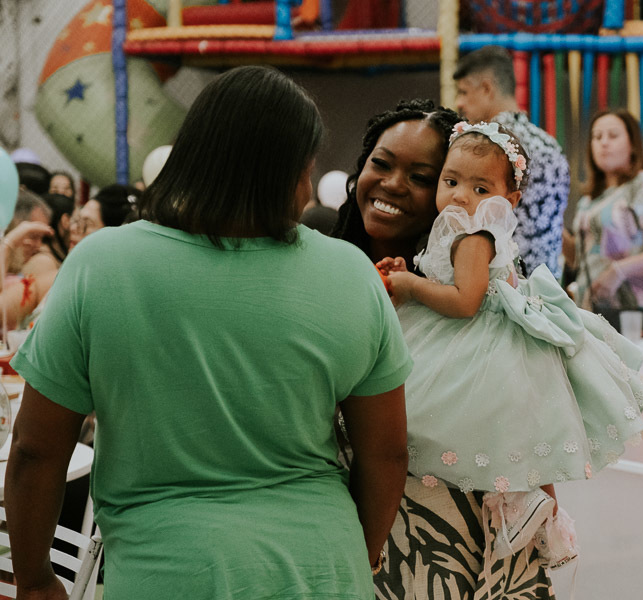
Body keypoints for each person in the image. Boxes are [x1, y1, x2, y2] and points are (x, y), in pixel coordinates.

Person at [6, 65, 410, 600]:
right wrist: (359, 554)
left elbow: (36, 449)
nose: (309, 187)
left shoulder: (100, 264)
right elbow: (386, 452)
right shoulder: (350, 273)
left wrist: (35, 579)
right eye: (305, 170)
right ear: (281, 174)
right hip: (324, 569)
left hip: (167, 574)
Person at [376, 119, 643, 567]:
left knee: (483, 420)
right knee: (514, 424)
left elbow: (464, 301)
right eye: (451, 181)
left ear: (510, 200)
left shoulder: (472, 235)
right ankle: (533, 508)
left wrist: (408, 286)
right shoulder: (463, 228)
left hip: (475, 335)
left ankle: (522, 506)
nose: (462, 196)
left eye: (481, 189)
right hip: (487, 331)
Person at [334, 98, 559, 599]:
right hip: (345, 527)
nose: (393, 184)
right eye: (382, 163)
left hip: (455, 526)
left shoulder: (471, 266)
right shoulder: (326, 267)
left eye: (420, 176)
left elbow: (519, 381)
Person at [453, 45, 570, 279]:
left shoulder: (486, 146)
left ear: (486, 88)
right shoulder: (550, 144)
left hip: (504, 289)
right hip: (548, 288)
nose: (459, 103)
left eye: (464, 92)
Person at [564, 109, 643, 338]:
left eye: (613, 135)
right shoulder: (588, 200)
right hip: (589, 313)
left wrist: (618, 271)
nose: (603, 143)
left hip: (632, 314)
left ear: (633, 144)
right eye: (597, 137)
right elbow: (579, 259)